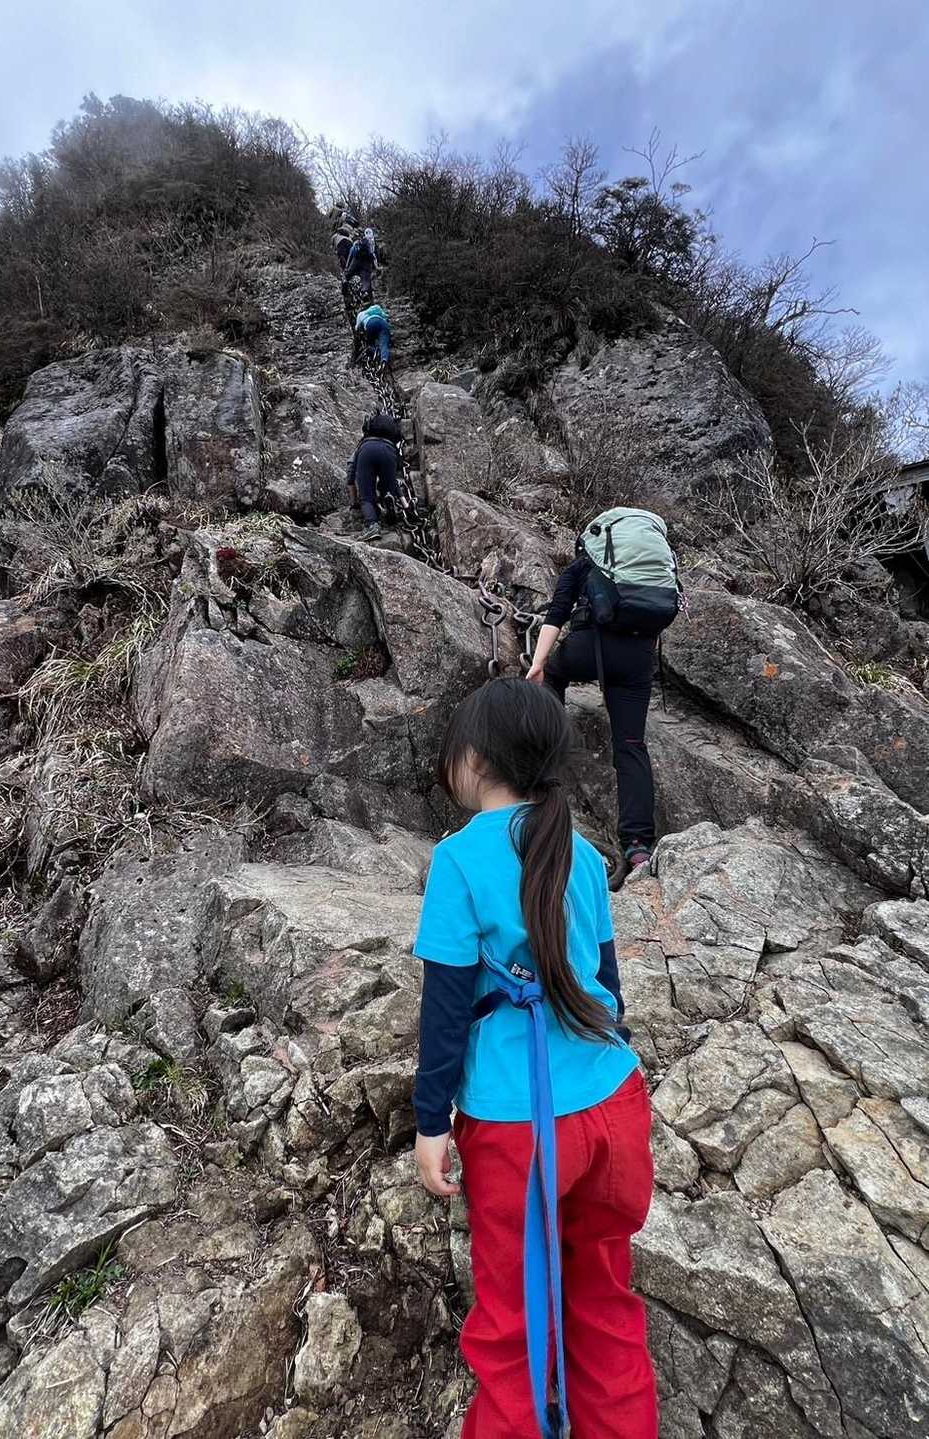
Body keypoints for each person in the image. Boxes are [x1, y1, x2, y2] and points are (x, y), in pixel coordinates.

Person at [412, 678, 656, 1439]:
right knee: (604, 1298)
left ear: (476, 758)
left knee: (512, 1323)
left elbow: (445, 1012)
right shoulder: (580, 853)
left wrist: (430, 1122)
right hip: (614, 1104)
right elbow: (606, 984)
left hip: (519, 1127)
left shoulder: (457, 861)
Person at [526, 544, 658, 872]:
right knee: (631, 744)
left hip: (587, 648)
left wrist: (539, 664)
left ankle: (550, 753)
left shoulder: (583, 565)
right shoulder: (651, 565)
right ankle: (638, 846)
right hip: (637, 658)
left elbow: (557, 614)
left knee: (553, 675)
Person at [346, 412, 403, 541]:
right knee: (388, 488)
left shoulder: (363, 443)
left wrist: (354, 502)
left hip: (367, 451)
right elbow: (395, 480)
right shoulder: (392, 443)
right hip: (389, 451)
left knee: (366, 497)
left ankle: (372, 525)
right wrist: (405, 504)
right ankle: (388, 499)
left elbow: (351, 470)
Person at [342, 227, 379, 303]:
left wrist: (347, 267)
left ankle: (346, 285)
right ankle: (366, 295)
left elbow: (351, 253)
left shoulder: (358, 243)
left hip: (356, 260)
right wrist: (376, 267)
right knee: (366, 280)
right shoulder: (373, 242)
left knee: (348, 276)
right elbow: (374, 255)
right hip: (366, 263)